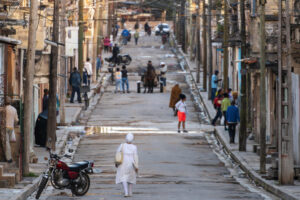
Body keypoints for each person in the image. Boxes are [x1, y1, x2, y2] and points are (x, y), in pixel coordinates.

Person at [115, 133, 139, 197]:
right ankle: (130, 193)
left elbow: (117, 153)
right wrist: (136, 166)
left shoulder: (122, 145)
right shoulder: (134, 147)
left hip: (123, 163)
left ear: (126, 138)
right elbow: (135, 156)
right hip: (131, 163)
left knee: (124, 178)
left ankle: (126, 193)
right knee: (130, 178)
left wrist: (116, 163)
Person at [4, 97, 19, 163]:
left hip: (5, 128)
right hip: (11, 127)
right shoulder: (14, 109)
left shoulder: (3, 109)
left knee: (7, 143)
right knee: (10, 143)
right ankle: (11, 157)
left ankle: (9, 158)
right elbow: (16, 120)